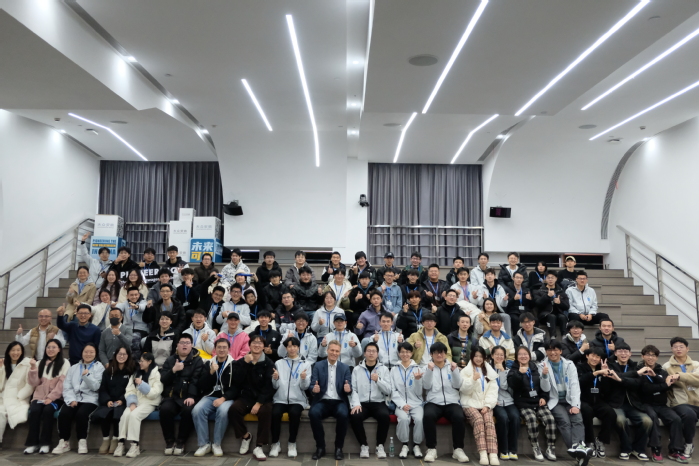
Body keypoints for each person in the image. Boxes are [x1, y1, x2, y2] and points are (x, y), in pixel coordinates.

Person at [541, 340, 593, 464]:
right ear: (546, 352)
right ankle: (578, 450)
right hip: (555, 400)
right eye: (549, 350)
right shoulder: (542, 365)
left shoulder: (569, 364)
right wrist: (544, 376)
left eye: (555, 350)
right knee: (564, 422)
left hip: (569, 399)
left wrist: (575, 405)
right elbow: (545, 389)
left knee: (577, 420)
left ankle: (577, 449)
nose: (552, 353)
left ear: (560, 351)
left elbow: (575, 385)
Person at [228, 335, 274, 461]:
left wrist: (259, 403)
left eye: (260, 343)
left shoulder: (269, 363)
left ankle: (259, 446)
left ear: (263, 347)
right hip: (246, 397)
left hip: (262, 399)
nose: (257, 345)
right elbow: (236, 380)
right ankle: (246, 436)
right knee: (233, 409)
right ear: (249, 345)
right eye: (254, 342)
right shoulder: (242, 361)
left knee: (267, 411)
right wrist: (245, 363)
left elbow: (269, 386)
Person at [53, 343, 105, 455]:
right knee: (64, 413)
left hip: (90, 399)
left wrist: (87, 376)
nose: (88, 354)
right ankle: (64, 441)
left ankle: (82, 441)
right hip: (74, 398)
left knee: (81, 414)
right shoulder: (74, 368)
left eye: (91, 352)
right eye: (86, 352)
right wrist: (71, 399)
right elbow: (67, 386)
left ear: (95, 354)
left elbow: (96, 387)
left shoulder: (99, 367)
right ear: (82, 353)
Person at [508, 346, 557, 462]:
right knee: (531, 419)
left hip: (538, 402)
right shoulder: (513, 370)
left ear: (529, 356)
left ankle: (551, 447)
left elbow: (544, 386)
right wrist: (519, 373)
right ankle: (536, 447)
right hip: (524, 403)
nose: (523, 356)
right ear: (516, 357)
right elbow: (512, 385)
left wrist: (544, 397)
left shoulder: (536, 368)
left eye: (525, 354)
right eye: (520, 354)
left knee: (550, 419)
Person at [605, 343, 652, 461]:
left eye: (626, 351)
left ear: (630, 354)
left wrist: (619, 379)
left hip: (633, 404)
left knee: (647, 421)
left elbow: (637, 384)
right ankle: (625, 449)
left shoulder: (636, 366)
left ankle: (638, 449)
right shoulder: (610, 366)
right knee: (620, 420)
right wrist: (633, 375)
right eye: (620, 351)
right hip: (616, 404)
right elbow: (612, 381)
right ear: (615, 353)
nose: (623, 353)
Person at [159, 333, 204, 456]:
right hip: (172, 396)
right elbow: (163, 379)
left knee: (188, 410)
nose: (184, 345)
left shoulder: (197, 360)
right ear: (177, 345)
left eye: (187, 343)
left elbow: (196, 380)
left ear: (191, 345)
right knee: (165, 409)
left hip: (188, 395)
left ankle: (181, 441)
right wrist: (173, 370)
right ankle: (169, 441)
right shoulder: (170, 360)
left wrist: (191, 396)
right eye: (182, 343)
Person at [422, 342, 468, 463]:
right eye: (436, 353)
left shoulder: (452, 366)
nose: (439, 355)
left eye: (441, 352)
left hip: (452, 401)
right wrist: (429, 371)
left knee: (459, 416)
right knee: (428, 415)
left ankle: (458, 449)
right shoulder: (427, 368)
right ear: (431, 354)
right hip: (433, 402)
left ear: (445, 354)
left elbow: (458, 385)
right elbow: (426, 386)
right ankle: (431, 449)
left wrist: (455, 371)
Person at [309, 340, 353, 460]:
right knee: (313, 413)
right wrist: (314, 389)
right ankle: (320, 447)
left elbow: (349, 387)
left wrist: (348, 389)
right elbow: (312, 385)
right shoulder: (318, 365)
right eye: (332, 350)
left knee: (344, 414)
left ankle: (339, 448)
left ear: (340, 352)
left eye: (337, 351)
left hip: (339, 401)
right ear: (327, 350)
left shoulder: (345, 368)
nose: (334, 353)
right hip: (323, 401)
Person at [23, 339, 69, 455]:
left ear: (59, 349)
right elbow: (34, 383)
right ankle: (32, 443)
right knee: (34, 411)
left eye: (54, 347)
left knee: (48, 411)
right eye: (48, 347)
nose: (50, 350)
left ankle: (45, 443)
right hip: (39, 397)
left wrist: (51, 397)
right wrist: (33, 368)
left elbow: (62, 384)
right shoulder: (39, 363)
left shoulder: (65, 363)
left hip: (56, 398)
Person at [637, 344, 682, 462]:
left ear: (657, 357)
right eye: (648, 355)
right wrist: (663, 385)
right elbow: (645, 389)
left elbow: (668, 386)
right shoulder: (639, 371)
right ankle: (656, 449)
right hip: (646, 404)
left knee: (676, 419)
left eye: (653, 355)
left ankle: (675, 450)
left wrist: (656, 377)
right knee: (653, 418)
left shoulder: (662, 371)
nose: (650, 357)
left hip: (661, 405)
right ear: (642, 356)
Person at [192, 338, 236, 457]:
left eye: (224, 347)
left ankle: (217, 444)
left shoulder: (234, 364)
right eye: (219, 347)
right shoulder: (208, 363)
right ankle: (204, 444)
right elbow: (201, 385)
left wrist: (224, 398)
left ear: (229, 349)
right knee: (197, 410)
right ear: (215, 349)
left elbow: (237, 387)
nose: (221, 350)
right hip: (210, 396)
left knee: (223, 411)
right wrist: (210, 373)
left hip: (226, 398)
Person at [270, 337, 312, 459]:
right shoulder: (279, 363)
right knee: (275, 413)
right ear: (286, 348)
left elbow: (305, 387)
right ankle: (275, 444)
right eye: (289, 346)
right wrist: (275, 378)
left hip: (298, 400)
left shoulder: (305, 364)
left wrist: (303, 379)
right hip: (281, 398)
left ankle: (292, 443)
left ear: (298, 347)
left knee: (294, 413)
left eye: (294, 346)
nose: (292, 349)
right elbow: (275, 386)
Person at [114, 352, 162, 458]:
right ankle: (121, 443)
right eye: (140, 361)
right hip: (136, 402)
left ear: (149, 362)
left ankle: (134, 445)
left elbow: (155, 393)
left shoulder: (156, 374)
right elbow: (130, 390)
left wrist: (142, 384)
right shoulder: (136, 374)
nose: (140, 363)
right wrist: (132, 403)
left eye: (142, 361)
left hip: (150, 402)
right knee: (125, 415)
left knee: (134, 415)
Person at [350, 342, 392, 459]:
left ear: (377, 354)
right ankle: (364, 445)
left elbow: (388, 390)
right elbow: (354, 389)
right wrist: (356, 404)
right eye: (368, 351)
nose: (371, 353)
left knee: (384, 416)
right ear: (364, 353)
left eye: (374, 351)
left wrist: (378, 380)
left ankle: (380, 446)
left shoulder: (384, 369)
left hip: (378, 402)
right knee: (354, 416)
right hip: (362, 403)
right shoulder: (357, 369)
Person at [460, 346, 500, 466]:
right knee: (478, 420)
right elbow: (464, 390)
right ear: (472, 357)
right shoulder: (465, 371)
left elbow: (493, 392)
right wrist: (472, 380)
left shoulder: (490, 371)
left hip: (485, 404)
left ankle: (493, 454)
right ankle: (483, 454)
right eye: (476, 356)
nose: (478, 358)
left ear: (484, 358)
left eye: (481, 356)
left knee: (488, 420)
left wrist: (487, 405)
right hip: (469, 403)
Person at [577, 347, 619, 460]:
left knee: (611, 413)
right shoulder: (580, 367)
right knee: (587, 412)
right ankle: (589, 441)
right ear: (587, 356)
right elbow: (580, 382)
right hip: (583, 400)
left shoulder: (603, 369)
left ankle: (601, 440)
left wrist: (605, 377)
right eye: (593, 356)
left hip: (599, 401)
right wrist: (595, 373)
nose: (595, 359)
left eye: (597, 357)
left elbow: (607, 391)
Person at [92, 345, 135, 455]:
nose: (121, 356)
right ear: (115, 355)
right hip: (110, 401)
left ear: (128, 356)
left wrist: (122, 400)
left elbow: (132, 389)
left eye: (124, 354)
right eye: (119, 354)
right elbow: (103, 388)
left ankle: (116, 438)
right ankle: (106, 439)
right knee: (105, 413)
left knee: (118, 414)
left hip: (123, 401)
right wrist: (107, 400)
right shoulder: (108, 371)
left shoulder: (132, 370)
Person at [663, 336, 699, 462]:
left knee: (691, 413)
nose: (678, 349)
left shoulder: (696, 364)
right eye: (675, 347)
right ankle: (688, 444)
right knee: (689, 415)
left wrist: (679, 376)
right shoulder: (666, 366)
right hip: (679, 403)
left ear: (687, 349)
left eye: (681, 347)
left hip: (696, 402)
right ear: (671, 349)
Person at [391, 342, 424, 459]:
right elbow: (392, 390)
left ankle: (416, 445)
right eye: (402, 352)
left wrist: (418, 381)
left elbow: (419, 392)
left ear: (412, 353)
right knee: (403, 419)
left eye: (408, 352)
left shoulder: (418, 369)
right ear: (399, 353)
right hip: (400, 403)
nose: (405, 354)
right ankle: (404, 445)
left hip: (416, 403)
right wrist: (402, 405)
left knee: (419, 419)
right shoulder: (394, 369)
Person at [0, 342, 32, 449]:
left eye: (18, 350)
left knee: (3, 412)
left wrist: (19, 396)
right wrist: (0, 369)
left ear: (22, 352)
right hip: (3, 396)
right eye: (13, 350)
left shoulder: (27, 364)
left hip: (19, 398)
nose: (15, 352)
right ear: (8, 352)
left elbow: (30, 385)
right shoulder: (4, 364)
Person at [490, 346, 520, 461]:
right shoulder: (487, 370)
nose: (499, 356)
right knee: (503, 418)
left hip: (508, 400)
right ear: (492, 356)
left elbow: (504, 386)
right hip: (495, 401)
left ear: (505, 357)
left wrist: (502, 371)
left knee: (515, 417)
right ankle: (503, 450)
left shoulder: (508, 370)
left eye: (501, 355)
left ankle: (513, 450)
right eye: (497, 354)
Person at [534, 271, 569, 338]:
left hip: (558, 314)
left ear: (556, 279)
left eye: (552, 278)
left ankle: (564, 336)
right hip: (545, 315)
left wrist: (559, 303)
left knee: (563, 317)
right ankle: (553, 337)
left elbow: (567, 306)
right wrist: (547, 296)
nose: (550, 279)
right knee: (552, 316)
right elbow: (538, 303)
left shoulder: (561, 291)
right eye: (548, 278)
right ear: (545, 279)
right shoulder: (539, 291)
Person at [115, 288, 148, 358]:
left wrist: (137, 307)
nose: (134, 297)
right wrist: (113, 307)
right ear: (127, 296)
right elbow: (118, 308)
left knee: (134, 340)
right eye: (131, 295)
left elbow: (143, 307)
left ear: (139, 295)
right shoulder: (125, 303)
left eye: (136, 295)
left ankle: (135, 360)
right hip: (127, 329)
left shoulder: (143, 302)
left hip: (140, 329)